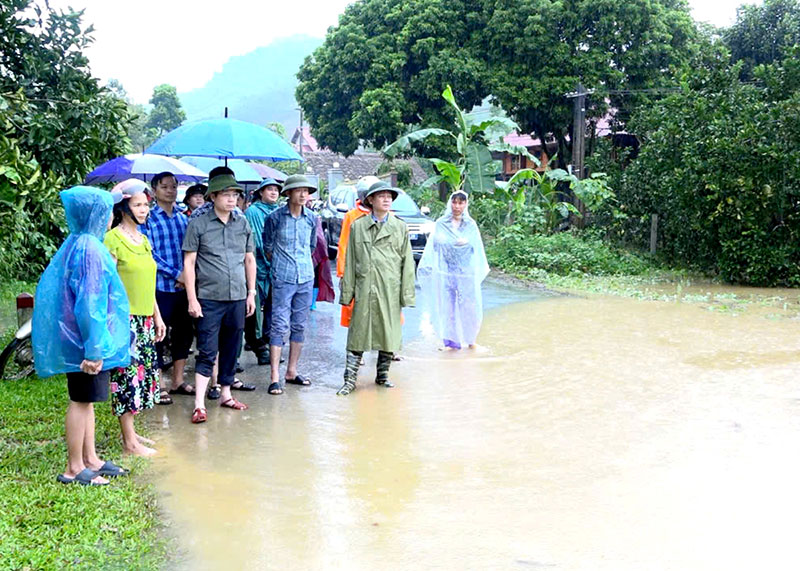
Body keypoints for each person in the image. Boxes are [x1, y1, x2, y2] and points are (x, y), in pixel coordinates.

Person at [32, 186, 131, 486]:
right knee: (80, 400)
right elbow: (90, 303)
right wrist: (94, 348)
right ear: (98, 214)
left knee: (87, 399)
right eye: (108, 210)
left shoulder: (80, 242)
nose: (112, 215)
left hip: (82, 337)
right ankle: (74, 467)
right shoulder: (89, 248)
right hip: (85, 339)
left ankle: (91, 458)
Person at [183, 173, 257, 423]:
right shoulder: (199, 223)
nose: (232, 199)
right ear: (212, 196)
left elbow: (249, 259)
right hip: (209, 297)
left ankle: (226, 393)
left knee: (231, 348)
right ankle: (199, 403)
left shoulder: (242, 223)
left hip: (237, 296)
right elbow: (189, 262)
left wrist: (251, 293)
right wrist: (192, 299)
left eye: (235, 195)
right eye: (226, 194)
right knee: (207, 349)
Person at [104, 179, 167, 456]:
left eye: (146, 205)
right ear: (123, 207)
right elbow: (106, 284)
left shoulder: (143, 240)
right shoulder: (112, 239)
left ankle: (133, 433)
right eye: (138, 205)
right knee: (126, 378)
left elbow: (148, 282)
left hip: (144, 319)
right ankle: (129, 442)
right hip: (124, 319)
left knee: (142, 378)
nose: (144, 210)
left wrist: (158, 315)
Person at [337, 181, 416, 396]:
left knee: (388, 333)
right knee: (358, 334)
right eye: (381, 196)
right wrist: (347, 293)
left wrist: (406, 295)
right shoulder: (358, 226)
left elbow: (407, 263)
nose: (387, 199)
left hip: (389, 289)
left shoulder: (399, 227)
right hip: (364, 288)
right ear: (370, 200)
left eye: (389, 196)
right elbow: (351, 261)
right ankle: (350, 380)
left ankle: (382, 376)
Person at [262, 174, 318, 395]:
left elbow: (312, 246)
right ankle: (275, 376)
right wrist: (279, 265)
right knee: (279, 324)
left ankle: (292, 371)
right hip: (283, 278)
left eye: (306, 190)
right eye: (298, 190)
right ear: (288, 194)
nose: (303, 194)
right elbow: (267, 247)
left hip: (305, 276)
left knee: (300, 325)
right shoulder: (275, 218)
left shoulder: (312, 218)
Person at [143, 171, 195, 399]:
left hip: (184, 288)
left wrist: (188, 277)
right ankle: (159, 384)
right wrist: (177, 274)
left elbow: (190, 251)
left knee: (184, 333)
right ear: (154, 191)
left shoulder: (184, 218)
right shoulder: (148, 219)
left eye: (174, 186)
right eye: (165, 187)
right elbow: (149, 254)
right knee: (158, 334)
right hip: (160, 286)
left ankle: (178, 380)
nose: (171, 190)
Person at [417, 190, 489, 350]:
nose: (457, 206)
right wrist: (444, 241)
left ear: (465, 204)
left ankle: (471, 340)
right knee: (447, 306)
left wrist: (466, 242)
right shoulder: (441, 223)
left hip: (466, 272)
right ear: (450, 203)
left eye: (461, 202)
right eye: (454, 202)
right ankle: (450, 341)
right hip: (446, 273)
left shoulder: (470, 225)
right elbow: (434, 246)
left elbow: (476, 247)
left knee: (469, 306)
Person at [243, 177, 282, 365]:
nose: (273, 192)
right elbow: (257, 240)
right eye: (269, 189)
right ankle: (257, 343)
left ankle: (268, 341)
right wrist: (269, 257)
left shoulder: (280, 211)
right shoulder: (253, 211)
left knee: (274, 309)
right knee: (255, 309)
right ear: (261, 192)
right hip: (258, 265)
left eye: (276, 189)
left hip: (278, 267)